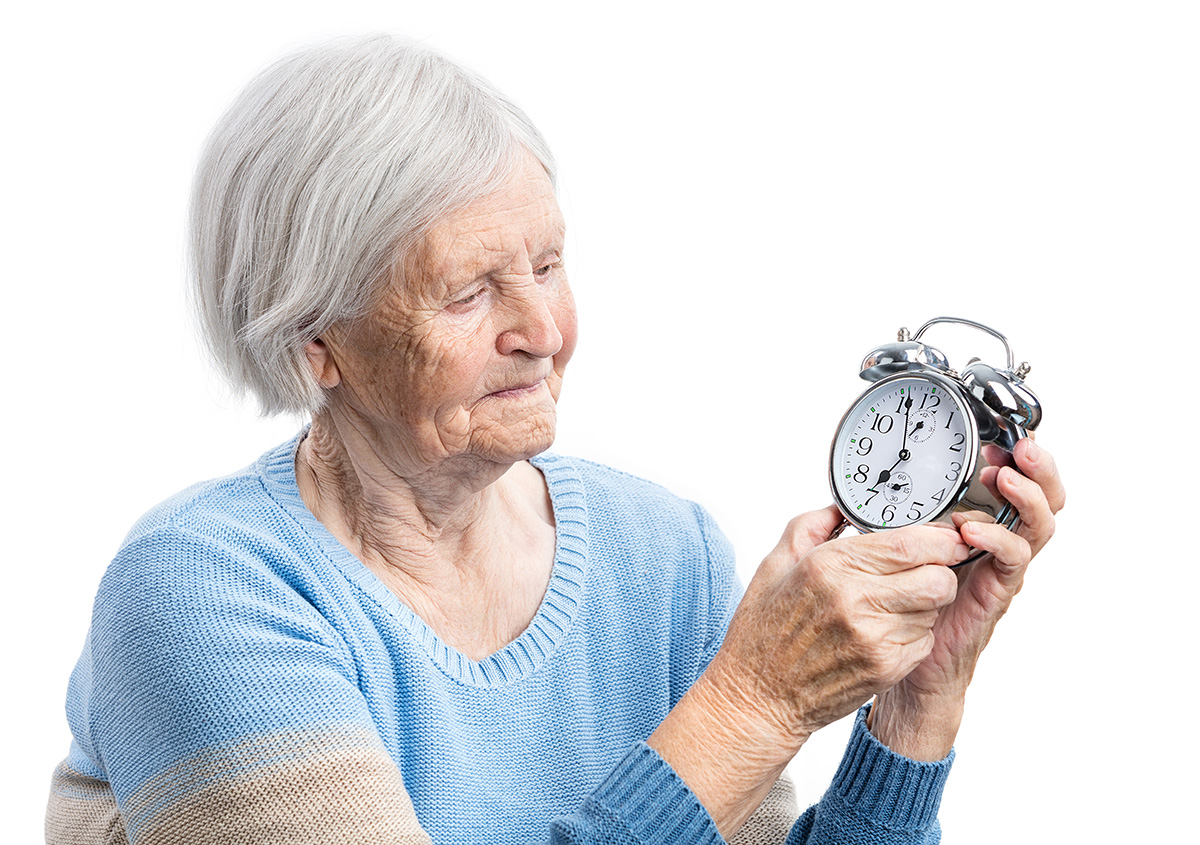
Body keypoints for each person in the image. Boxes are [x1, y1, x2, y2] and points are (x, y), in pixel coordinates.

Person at [45, 35, 1064, 845]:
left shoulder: (660, 553)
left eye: (548, 263)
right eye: (470, 289)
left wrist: (915, 707)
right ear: (320, 344)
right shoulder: (200, 592)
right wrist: (750, 702)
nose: (543, 329)